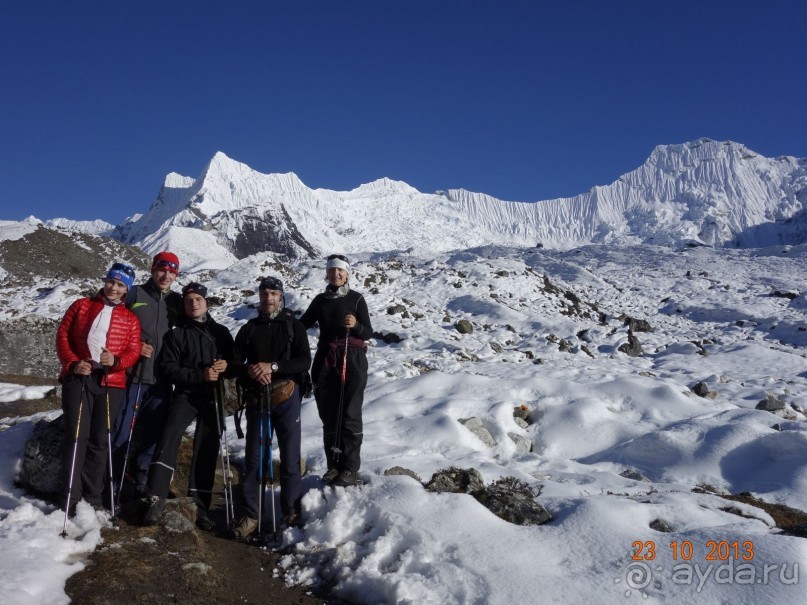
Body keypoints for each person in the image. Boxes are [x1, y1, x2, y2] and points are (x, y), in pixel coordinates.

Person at [141, 282, 235, 529]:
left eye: (198, 300)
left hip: (213, 395)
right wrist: (199, 376)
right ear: (183, 304)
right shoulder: (176, 334)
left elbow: (235, 363)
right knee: (169, 435)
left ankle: (200, 506)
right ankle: (155, 496)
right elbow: (169, 369)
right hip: (186, 394)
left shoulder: (221, 332)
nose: (194, 304)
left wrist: (227, 365)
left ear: (206, 302)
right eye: (189, 300)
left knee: (207, 446)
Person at [55, 262, 141, 514]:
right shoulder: (81, 305)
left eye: (121, 285)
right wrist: (73, 364)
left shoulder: (130, 319)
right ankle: (70, 498)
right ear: (105, 281)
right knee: (76, 436)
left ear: (127, 290)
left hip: (111, 382)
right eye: (111, 281)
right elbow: (63, 336)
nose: (114, 288)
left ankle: (93, 498)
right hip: (79, 378)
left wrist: (115, 361)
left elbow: (133, 351)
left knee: (100, 440)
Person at [231, 276, 311, 539]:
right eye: (265, 293)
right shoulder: (249, 329)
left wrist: (273, 366)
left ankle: (291, 512)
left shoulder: (294, 327)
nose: (269, 298)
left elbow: (304, 361)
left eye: (274, 293)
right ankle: (251, 515)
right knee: (254, 460)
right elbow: (234, 363)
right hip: (258, 399)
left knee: (290, 458)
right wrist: (251, 370)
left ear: (281, 296)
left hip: (287, 397)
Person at [111, 251, 183, 499]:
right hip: (131, 377)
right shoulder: (134, 294)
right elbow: (112, 322)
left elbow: (197, 325)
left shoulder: (176, 302)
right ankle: (112, 481)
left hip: (160, 381)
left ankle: (142, 480)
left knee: (154, 434)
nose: (166, 276)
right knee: (120, 432)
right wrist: (133, 345)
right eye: (162, 270)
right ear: (152, 270)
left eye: (172, 272)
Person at [300, 254, 372, 487]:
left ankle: (350, 468)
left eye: (340, 270)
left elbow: (368, 332)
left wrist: (356, 325)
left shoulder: (357, 299)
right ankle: (334, 465)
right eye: (332, 270)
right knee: (329, 415)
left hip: (352, 358)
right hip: (326, 359)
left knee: (350, 413)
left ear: (347, 274)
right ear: (327, 273)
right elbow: (302, 325)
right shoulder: (320, 300)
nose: (336, 274)